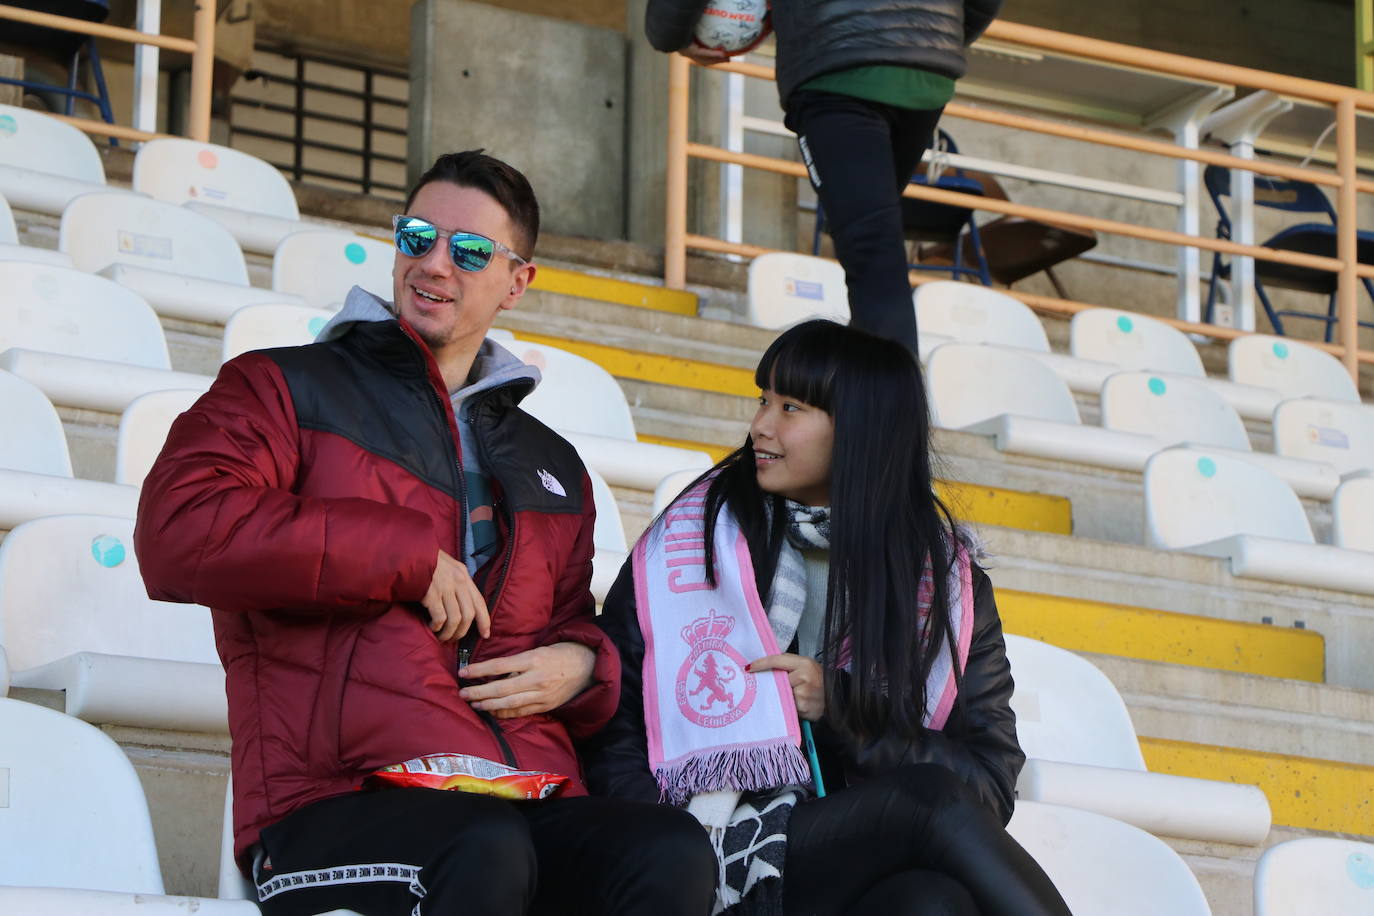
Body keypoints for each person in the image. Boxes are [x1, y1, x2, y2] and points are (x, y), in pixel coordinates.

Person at [135, 150, 716, 916]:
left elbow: (570, 618)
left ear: (518, 281)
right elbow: (178, 530)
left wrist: (585, 664)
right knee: (480, 846)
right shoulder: (280, 385)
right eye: (417, 237)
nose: (434, 264)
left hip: (521, 792)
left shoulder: (553, 463)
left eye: (469, 251)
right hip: (333, 798)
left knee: (666, 851)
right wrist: (405, 556)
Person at [582, 319, 1071, 915]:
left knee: (932, 902)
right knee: (929, 804)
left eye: (792, 407)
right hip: (706, 840)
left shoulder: (946, 586)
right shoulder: (695, 541)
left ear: (862, 433)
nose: (760, 424)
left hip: (844, 854)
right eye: (764, 400)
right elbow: (617, 725)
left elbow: (989, 788)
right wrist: (672, 848)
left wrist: (842, 709)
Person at [645, 0, 1003, 356]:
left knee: (872, 258)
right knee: (870, 257)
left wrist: (672, 35)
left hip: (838, 69)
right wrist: (926, 38)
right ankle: (856, 396)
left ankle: (885, 408)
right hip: (925, 74)